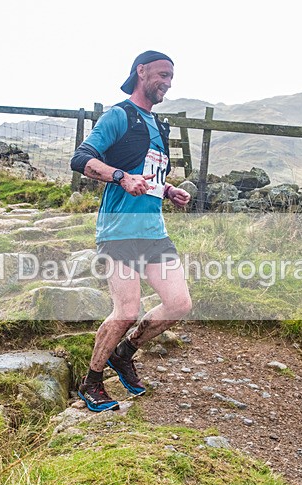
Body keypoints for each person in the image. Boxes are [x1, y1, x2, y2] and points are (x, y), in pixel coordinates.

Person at [69, 50, 193, 412]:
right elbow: (81, 159)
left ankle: (124, 353)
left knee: (179, 304)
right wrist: (120, 177)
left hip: (154, 232)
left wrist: (168, 190)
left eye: (171, 77)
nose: (168, 83)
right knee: (126, 310)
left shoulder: (160, 126)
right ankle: (92, 381)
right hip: (119, 230)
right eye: (162, 75)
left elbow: (150, 175)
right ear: (141, 72)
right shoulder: (119, 115)